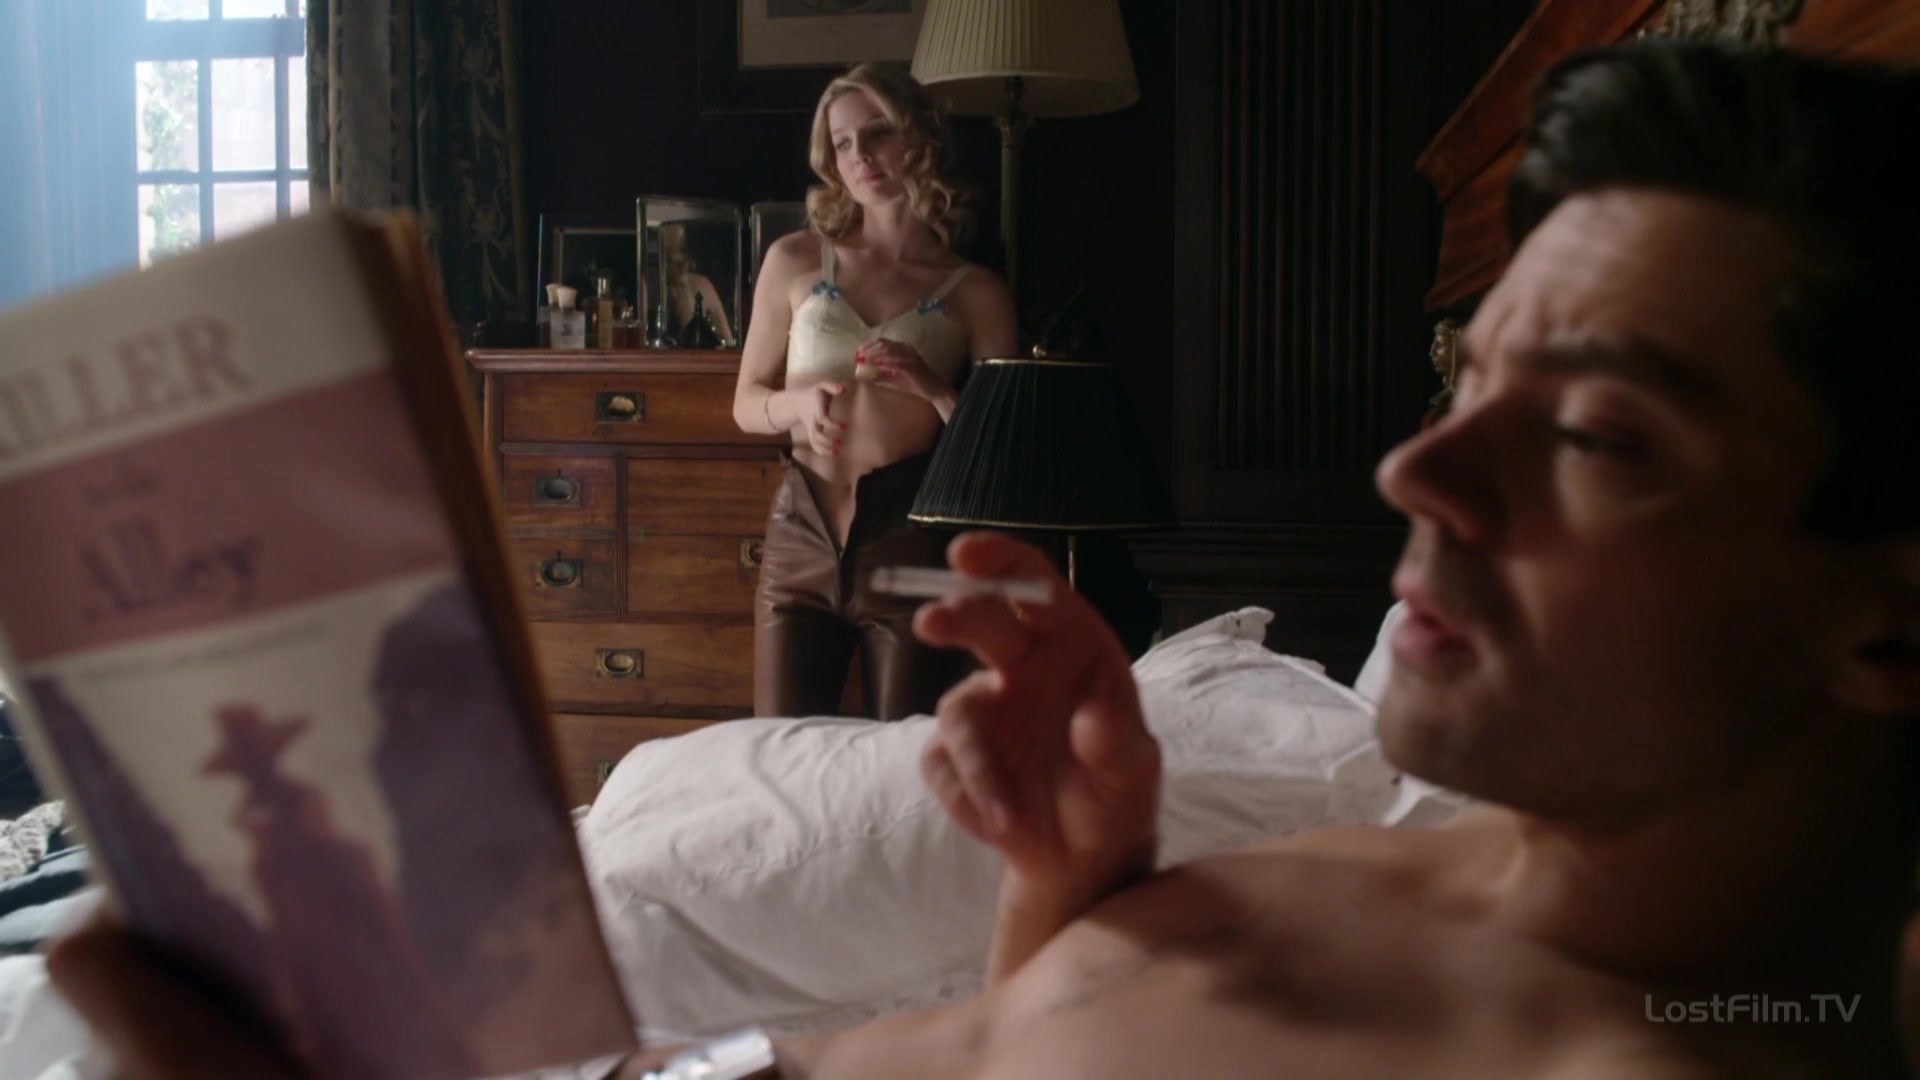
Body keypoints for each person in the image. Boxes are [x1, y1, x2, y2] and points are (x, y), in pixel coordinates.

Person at [45, 40, 1920, 1079]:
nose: (1416, 466)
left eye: (1598, 436)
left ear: (1890, 614)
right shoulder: (1422, 868)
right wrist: (1065, 895)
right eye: (1472, 374)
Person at [730, 63, 1018, 722]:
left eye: (878, 132)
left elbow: (1000, 452)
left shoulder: (976, 292)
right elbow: (745, 402)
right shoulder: (794, 259)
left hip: (908, 540)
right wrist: (796, 405)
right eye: (842, 143)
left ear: (919, 136)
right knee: (781, 755)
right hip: (800, 533)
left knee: (901, 759)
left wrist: (932, 387)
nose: (859, 155)